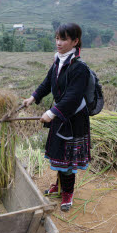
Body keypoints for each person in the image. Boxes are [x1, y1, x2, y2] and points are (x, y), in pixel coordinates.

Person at [23, 23, 90, 212]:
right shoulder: (59, 61)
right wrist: (33, 97)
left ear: (75, 41)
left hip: (74, 119)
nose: (58, 43)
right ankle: (60, 186)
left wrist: (51, 113)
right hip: (61, 115)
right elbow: (48, 83)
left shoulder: (79, 68)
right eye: (57, 38)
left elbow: (73, 97)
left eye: (63, 39)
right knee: (59, 155)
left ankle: (68, 192)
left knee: (68, 159)